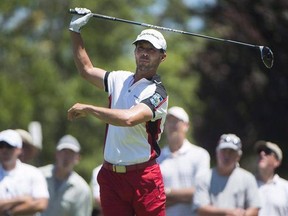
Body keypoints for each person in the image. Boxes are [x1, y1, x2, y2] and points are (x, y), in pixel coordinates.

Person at [67, 7, 168, 216]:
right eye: (141, 48)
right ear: (135, 52)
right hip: (111, 178)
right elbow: (86, 70)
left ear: (162, 57)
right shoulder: (119, 78)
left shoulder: (158, 93)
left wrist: (89, 108)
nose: (144, 53)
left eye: (151, 49)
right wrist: (75, 30)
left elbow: (130, 118)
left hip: (144, 178)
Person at [157, 106, 210, 216]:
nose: (172, 125)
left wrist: (168, 192)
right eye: (169, 121)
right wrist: (186, 197)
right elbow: (152, 197)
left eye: (176, 121)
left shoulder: (200, 155)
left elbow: (201, 191)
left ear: (186, 126)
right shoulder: (157, 157)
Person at [192, 133, 261, 216]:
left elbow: (255, 209)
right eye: (223, 151)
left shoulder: (248, 178)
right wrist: (228, 213)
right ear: (217, 152)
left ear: (238, 156)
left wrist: (244, 214)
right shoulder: (204, 178)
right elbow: (201, 208)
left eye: (231, 152)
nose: (227, 156)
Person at [39, 134, 92, 216]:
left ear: (78, 158)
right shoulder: (38, 175)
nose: (66, 157)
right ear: (56, 154)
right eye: (63, 152)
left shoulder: (82, 189)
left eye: (71, 153)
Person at [0, 129, 49, 216]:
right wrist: (22, 200)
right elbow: (34, 203)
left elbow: (41, 204)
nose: (4, 150)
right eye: (1, 146)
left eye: (9, 146)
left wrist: (9, 212)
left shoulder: (34, 173)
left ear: (19, 149)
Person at [254, 140, 288, 216]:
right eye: (259, 151)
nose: (262, 154)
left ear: (277, 162)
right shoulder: (247, 184)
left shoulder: (286, 188)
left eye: (267, 152)